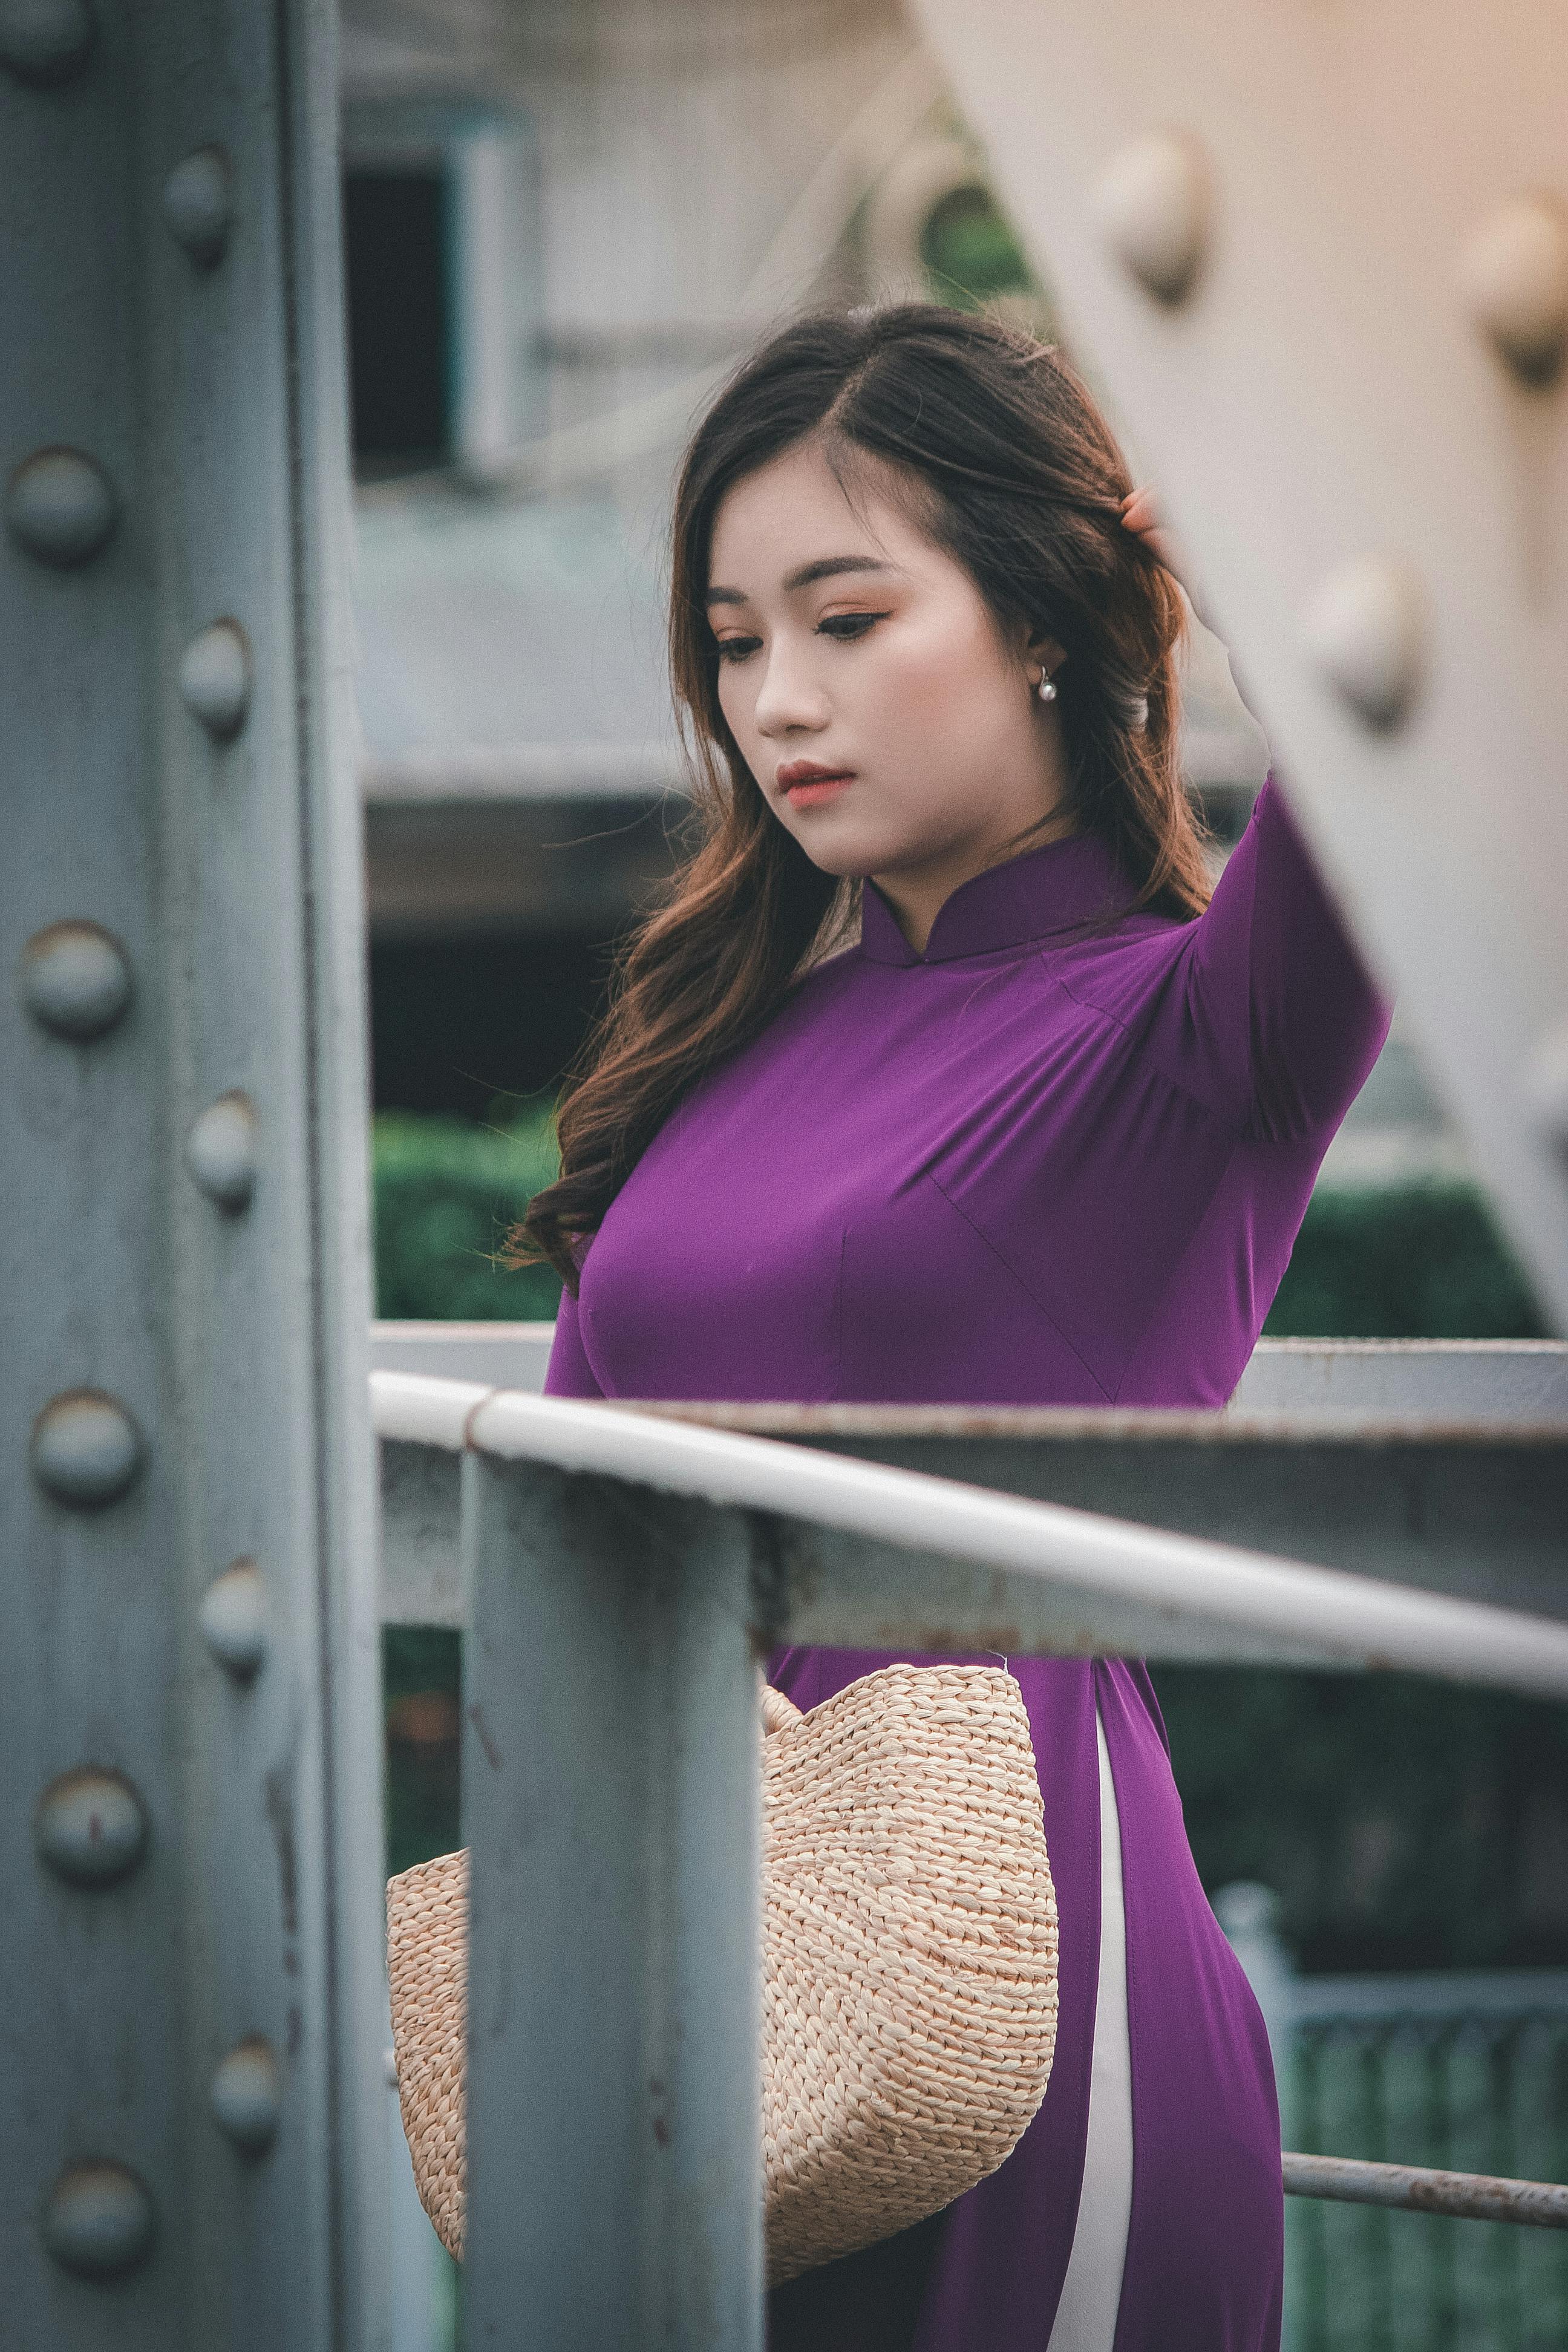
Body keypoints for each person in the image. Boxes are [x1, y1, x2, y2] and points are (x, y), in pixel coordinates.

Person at [517, 305, 1389, 2352]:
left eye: (846, 616)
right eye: (734, 643)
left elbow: (1439, 724)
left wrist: (1268, 553)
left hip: (1023, 2008)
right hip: (701, 1979)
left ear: (1047, 626)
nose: (778, 702)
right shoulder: (733, 1045)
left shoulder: (1197, 1029)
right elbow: (561, 1541)